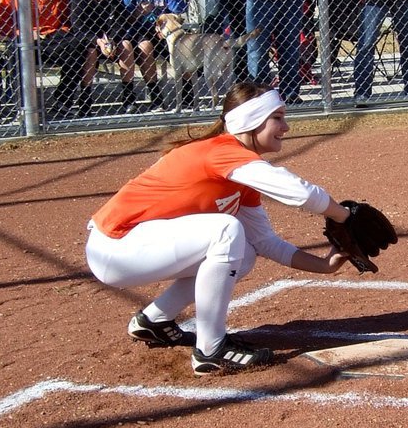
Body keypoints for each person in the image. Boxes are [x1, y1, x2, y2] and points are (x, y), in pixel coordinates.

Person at [85, 82, 354, 375]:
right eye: (277, 118)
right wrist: (343, 216)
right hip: (116, 246)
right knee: (226, 230)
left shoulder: (239, 171)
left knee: (244, 254)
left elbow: (264, 242)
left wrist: (324, 265)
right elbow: (300, 193)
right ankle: (211, 350)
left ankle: (154, 321)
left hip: (133, 246)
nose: (286, 127)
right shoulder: (220, 151)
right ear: (250, 121)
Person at [0, 0, 86, 117]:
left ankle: (62, 101)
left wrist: (59, 32)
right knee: (14, 51)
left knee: (78, 46)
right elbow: (0, 23)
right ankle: (24, 106)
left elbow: (65, 20)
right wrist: (23, 33)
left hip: (50, 39)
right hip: (23, 38)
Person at [71, 0, 139, 111]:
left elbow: (120, 23)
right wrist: (98, 41)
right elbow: (78, 28)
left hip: (111, 41)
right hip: (90, 41)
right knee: (91, 52)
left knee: (126, 45)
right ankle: (85, 99)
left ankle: (129, 97)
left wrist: (112, 40)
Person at [120, 0, 189, 105]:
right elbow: (123, 20)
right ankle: (155, 95)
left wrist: (164, 20)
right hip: (139, 32)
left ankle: (188, 94)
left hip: (164, 32)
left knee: (183, 46)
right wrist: (138, 12)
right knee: (146, 47)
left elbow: (179, 12)